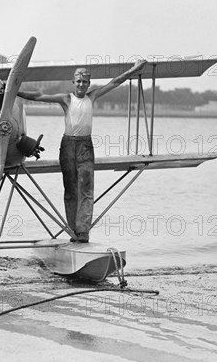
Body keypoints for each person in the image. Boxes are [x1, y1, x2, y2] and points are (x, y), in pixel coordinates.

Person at [18, 60, 147, 242]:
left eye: (84, 82)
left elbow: (115, 82)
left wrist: (134, 70)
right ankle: (73, 231)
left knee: (86, 189)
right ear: (73, 83)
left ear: (88, 84)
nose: (81, 85)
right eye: (78, 81)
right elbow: (39, 96)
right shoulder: (66, 99)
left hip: (86, 146)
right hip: (68, 146)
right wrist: (15, 91)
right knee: (70, 190)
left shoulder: (92, 96)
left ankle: (83, 232)